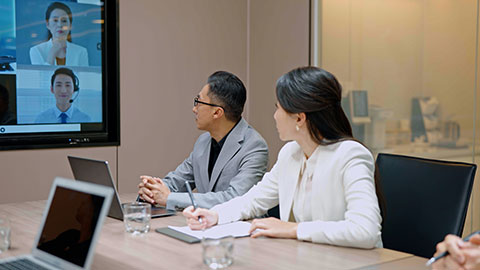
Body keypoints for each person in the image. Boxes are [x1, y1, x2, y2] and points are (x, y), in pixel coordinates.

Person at [183, 66, 384, 249]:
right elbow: (254, 199)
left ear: (299, 118)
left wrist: (293, 229)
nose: (275, 116)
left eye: (278, 107)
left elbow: (365, 231)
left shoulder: (351, 155)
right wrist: (215, 215)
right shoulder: (291, 153)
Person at [138, 71, 269, 210]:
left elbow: (235, 198)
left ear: (217, 112)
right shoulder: (204, 141)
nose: (194, 109)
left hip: (238, 228)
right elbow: (178, 180)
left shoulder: (254, 146)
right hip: (203, 225)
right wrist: (153, 189)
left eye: (198, 102)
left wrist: (169, 198)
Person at [30, 2, 88, 66]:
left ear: (70, 25)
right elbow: (40, 76)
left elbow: (84, 76)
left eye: (64, 21)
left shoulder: (81, 52)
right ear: (48, 24)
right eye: (55, 20)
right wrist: (51, 55)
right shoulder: (36, 51)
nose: (60, 25)